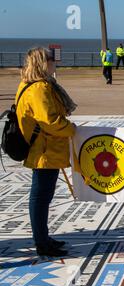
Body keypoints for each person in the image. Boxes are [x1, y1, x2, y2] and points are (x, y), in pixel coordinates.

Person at [16, 47, 77, 257]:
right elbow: (49, 121)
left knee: (42, 197)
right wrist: (71, 129)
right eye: (52, 60)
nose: (55, 63)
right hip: (44, 151)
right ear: (44, 62)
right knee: (41, 197)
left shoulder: (31, 84)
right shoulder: (39, 88)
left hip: (45, 150)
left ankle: (43, 238)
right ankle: (42, 242)